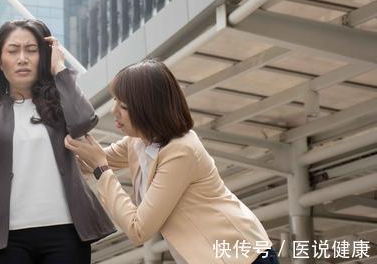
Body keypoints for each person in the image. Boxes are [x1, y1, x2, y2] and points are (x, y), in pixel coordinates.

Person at [65, 59, 280, 264]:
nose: (114, 111)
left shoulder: (181, 151)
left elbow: (138, 229)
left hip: (244, 257)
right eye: (115, 101)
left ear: (147, 109)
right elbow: (89, 161)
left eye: (123, 106)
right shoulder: (138, 141)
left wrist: (102, 170)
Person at [0, 19, 115, 263]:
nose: (22, 58)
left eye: (32, 50)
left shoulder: (60, 105)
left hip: (66, 232)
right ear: (0, 59)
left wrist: (60, 70)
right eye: (13, 51)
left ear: (43, 57)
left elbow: (84, 121)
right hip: (5, 238)